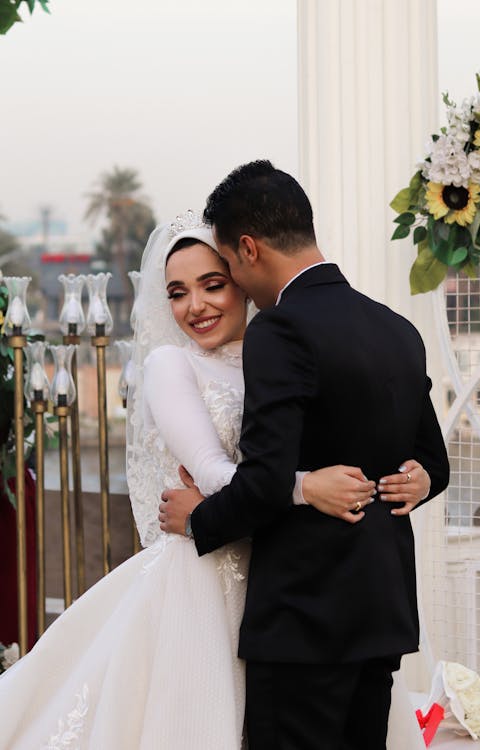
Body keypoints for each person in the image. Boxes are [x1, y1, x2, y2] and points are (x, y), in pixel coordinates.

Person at [0, 213, 417, 749]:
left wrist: (416, 472)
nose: (195, 306)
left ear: (242, 280)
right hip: (209, 575)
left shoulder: (287, 355)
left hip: (296, 574)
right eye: (178, 293)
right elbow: (215, 473)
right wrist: (305, 487)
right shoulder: (172, 366)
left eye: (212, 285)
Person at [160, 162, 450, 750]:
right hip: (382, 610)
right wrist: (418, 483)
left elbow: (266, 480)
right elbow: (432, 463)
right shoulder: (397, 329)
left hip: (303, 619)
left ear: (247, 249)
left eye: (229, 269)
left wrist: (196, 519)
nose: (237, 285)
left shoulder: (281, 329)